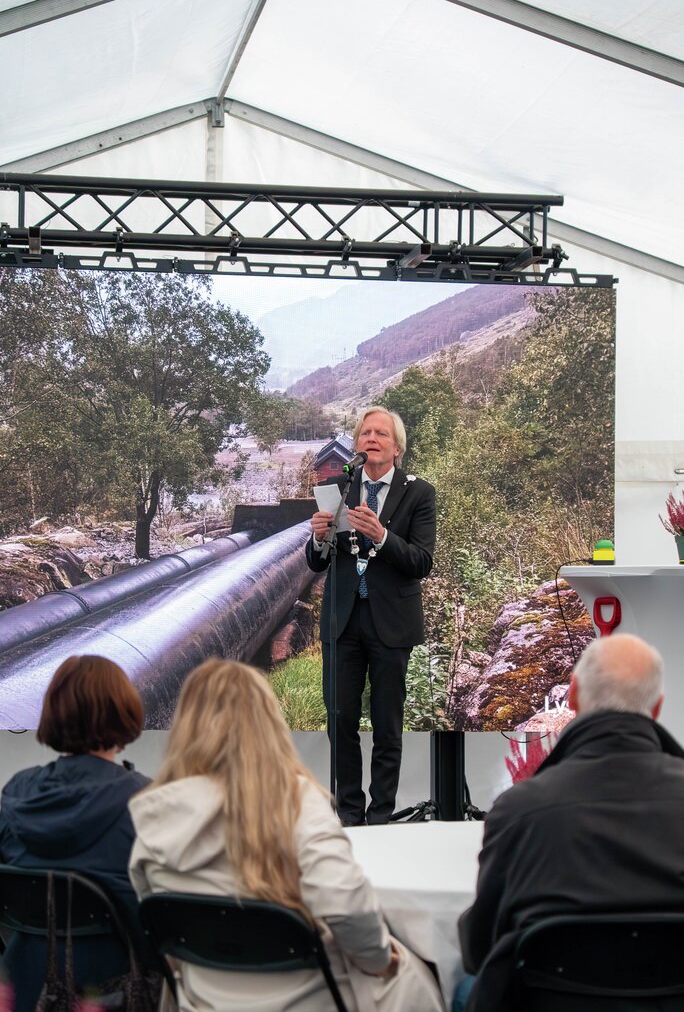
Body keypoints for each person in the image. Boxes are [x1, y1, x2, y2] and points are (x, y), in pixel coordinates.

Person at [129, 658, 444, 1012]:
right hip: (311, 999)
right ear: (267, 722)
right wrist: (379, 960)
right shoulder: (297, 801)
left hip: (204, 1000)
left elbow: (163, 933)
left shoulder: (154, 820)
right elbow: (345, 902)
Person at [457, 633, 684, 1012]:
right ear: (656, 708)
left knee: (461, 986)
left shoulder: (519, 809)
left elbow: (478, 949)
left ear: (573, 696)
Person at [306, 406, 436, 825]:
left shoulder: (418, 492)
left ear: (396, 447)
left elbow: (421, 562)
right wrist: (317, 538)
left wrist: (381, 536)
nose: (371, 439)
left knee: (386, 724)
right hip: (342, 621)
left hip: (391, 623)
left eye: (381, 433)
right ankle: (348, 812)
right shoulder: (339, 488)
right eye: (365, 433)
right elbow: (317, 564)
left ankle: (381, 815)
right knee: (340, 719)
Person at [0, 654, 149, 1012]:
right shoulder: (147, 800)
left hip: (26, 987)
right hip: (115, 993)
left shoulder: (16, 792)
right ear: (124, 710)